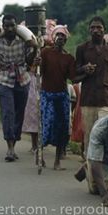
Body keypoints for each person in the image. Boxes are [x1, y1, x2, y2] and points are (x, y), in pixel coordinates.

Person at [0, 14, 38, 162]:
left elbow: (29, 60)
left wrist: (33, 48)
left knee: (19, 114)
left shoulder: (22, 39)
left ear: (16, 26)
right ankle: (10, 148)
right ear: (2, 26)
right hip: (4, 80)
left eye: (12, 25)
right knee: (8, 113)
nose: (9, 28)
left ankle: (13, 144)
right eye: (6, 25)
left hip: (22, 79)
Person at [75, 16, 108, 160]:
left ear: (104, 30)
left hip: (106, 99)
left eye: (99, 28)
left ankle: (103, 164)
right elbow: (75, 72)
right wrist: (85, 69)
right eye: (93, 28)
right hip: (88, 100)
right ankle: (90, 167)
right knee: (89, 135)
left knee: (105, 132)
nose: (96, 30)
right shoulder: (82, 49)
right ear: (89, 30)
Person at [35, 25, 77, 170]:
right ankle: (39, 156)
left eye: (63, 36)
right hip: (47, 95)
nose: (60, 38)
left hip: (62, 96)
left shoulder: (69, 58)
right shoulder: (45, 53)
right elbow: (37, 70)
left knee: (62, 128)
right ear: (54, 38)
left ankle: (57, 161)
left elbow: (73, 77)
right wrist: (37, 63)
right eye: (58, 35)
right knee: (46, 125)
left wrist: (84, 70)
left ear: (66, 39)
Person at [21, 65, 39, 154]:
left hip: (40, 83)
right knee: (32, 120)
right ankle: (34, 145)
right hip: (31, 92)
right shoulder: (28, 76)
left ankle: (38, 146)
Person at [70, 82, 85, 161]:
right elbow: (74, 101)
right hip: (79, 112)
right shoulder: (76, 87)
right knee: (82, 131)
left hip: (84, 109)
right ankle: (83, 151)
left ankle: (84, 152)